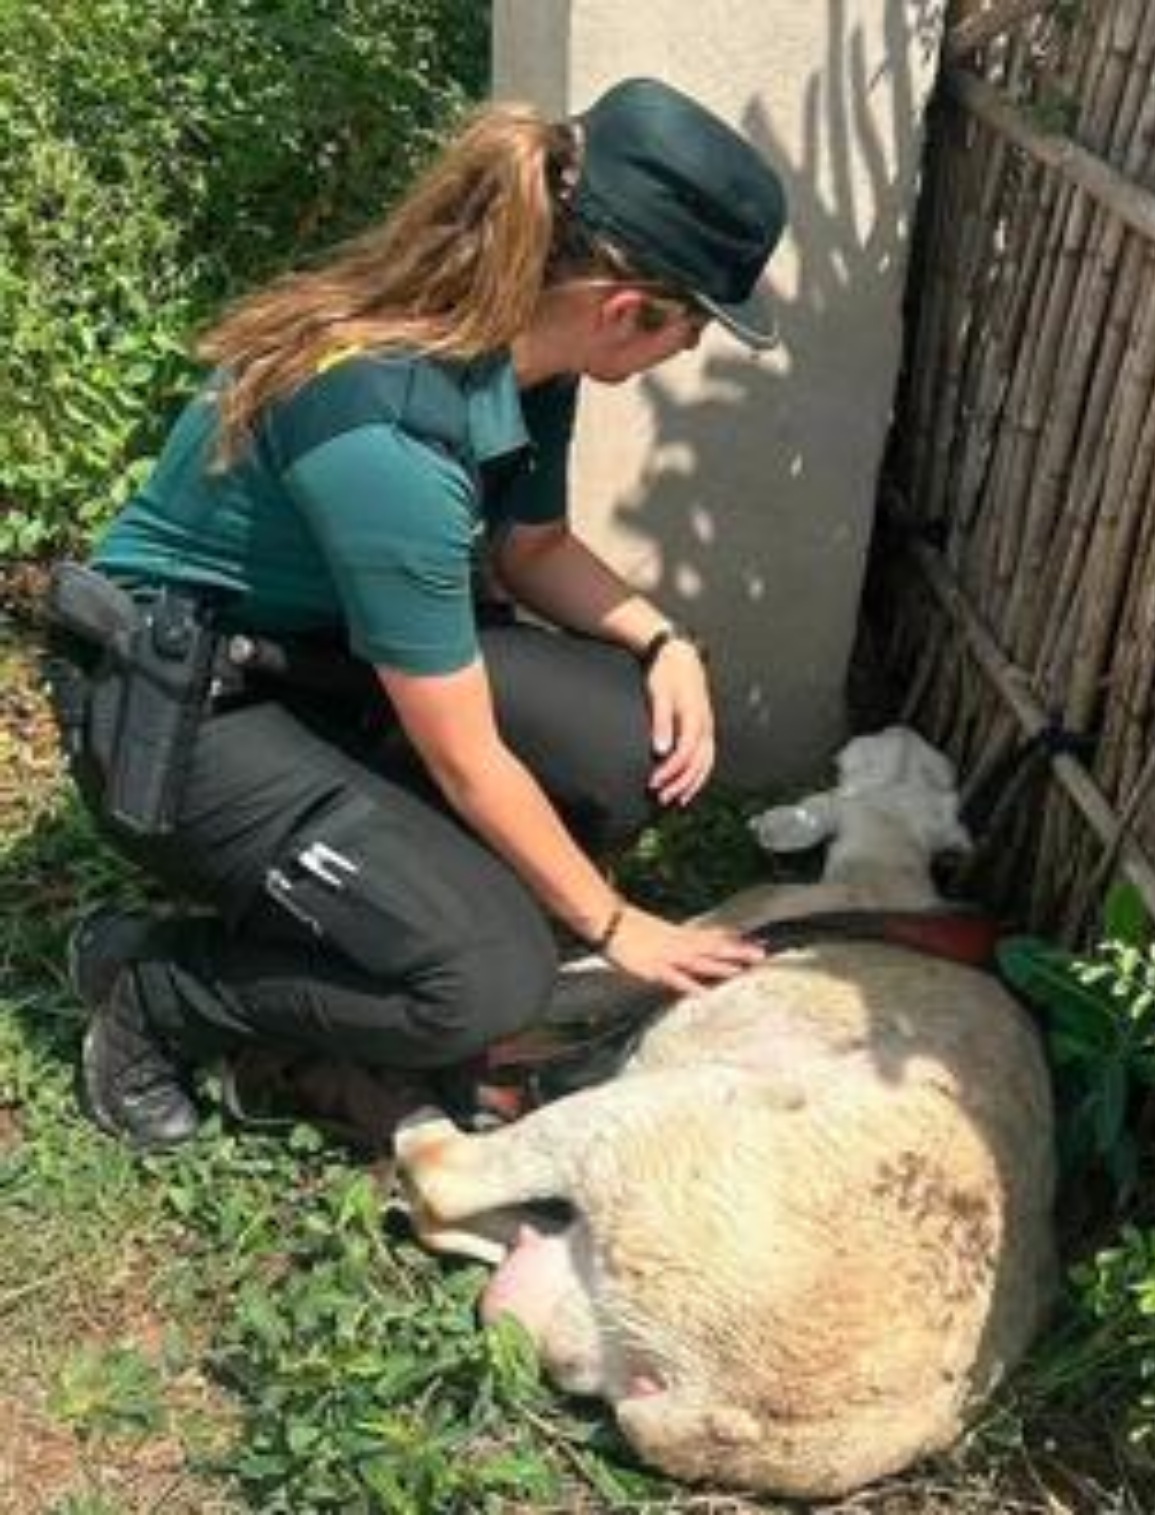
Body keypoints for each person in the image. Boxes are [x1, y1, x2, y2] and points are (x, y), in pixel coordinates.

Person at [50, 76, 787, 1151]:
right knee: (487, 982)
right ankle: (160, 987)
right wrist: (615, 926)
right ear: (626, 309)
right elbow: (465, 758)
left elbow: (529, 550)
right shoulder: (387, 434)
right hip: (184, 714)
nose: (686, 355)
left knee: (619, 738)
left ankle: (390, 902)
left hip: (316, 659)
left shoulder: (525, 347)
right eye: (692, 330)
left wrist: (662, 641)